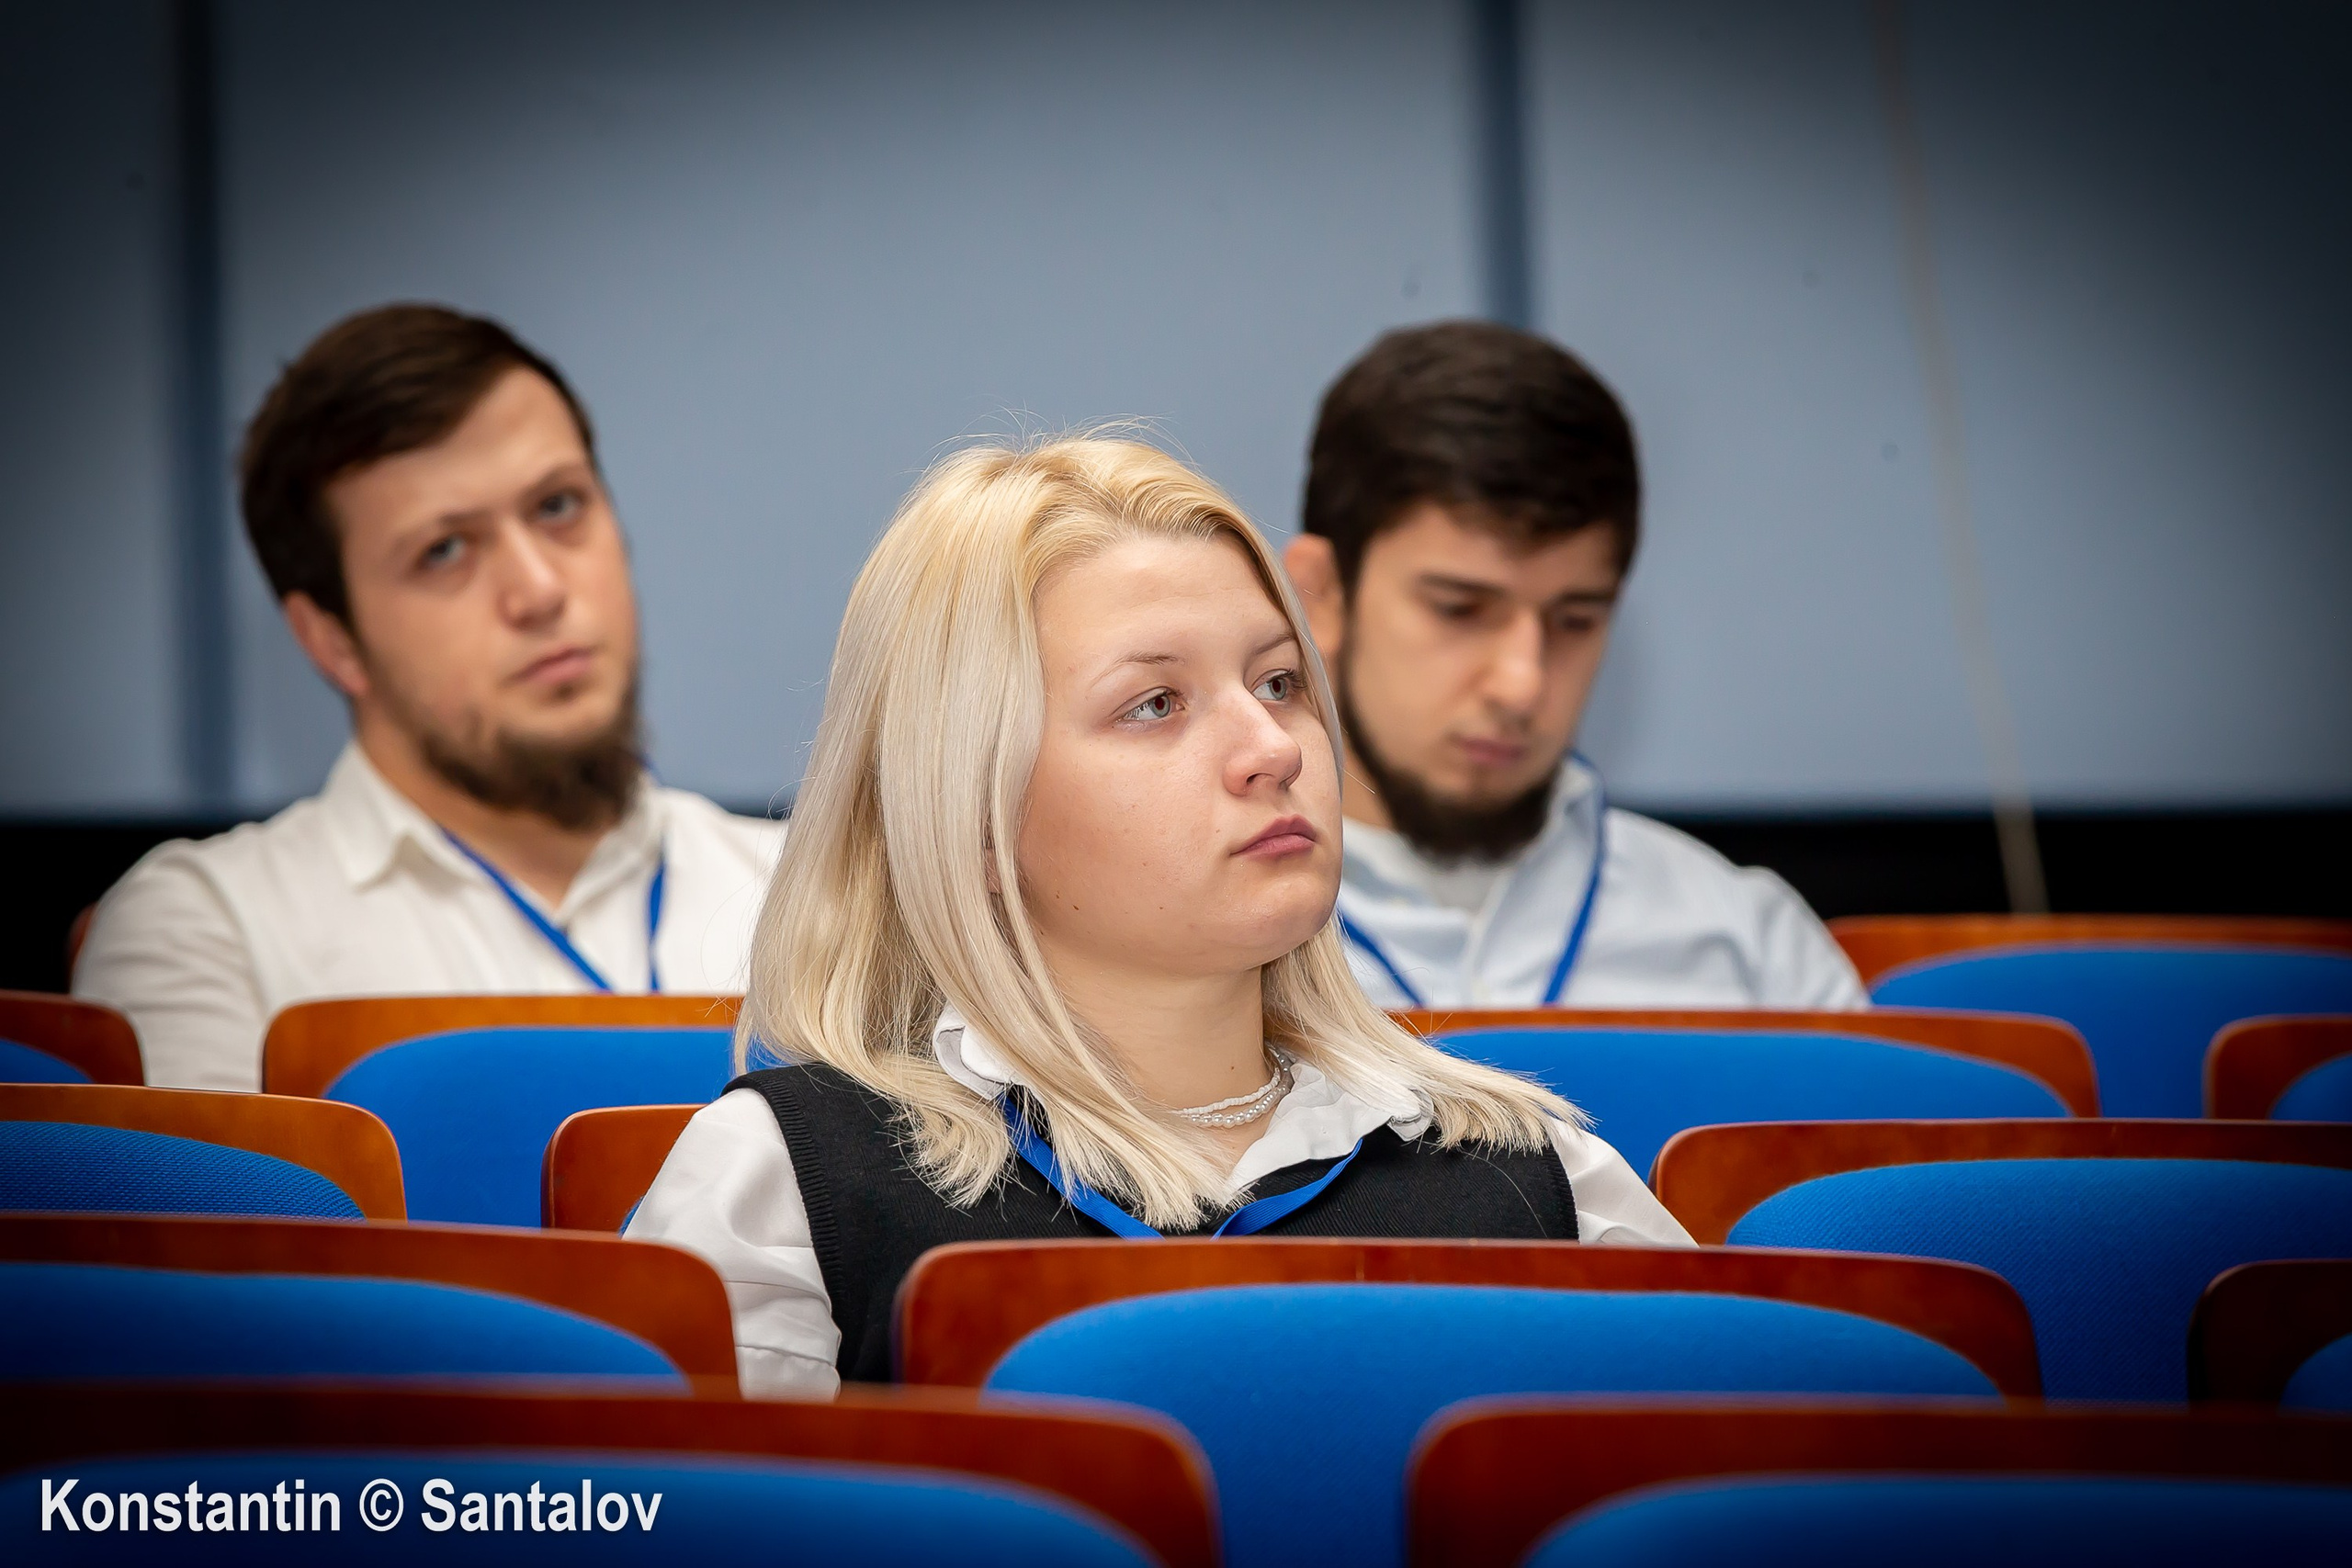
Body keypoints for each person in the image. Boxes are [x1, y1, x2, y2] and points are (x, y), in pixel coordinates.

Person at [627, 435, 1690, 1398]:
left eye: (1278, 682)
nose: (1272, 748)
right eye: (1154, 704)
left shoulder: (1540, 1176)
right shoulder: (788, 1185)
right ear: (975, 821)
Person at [74, 304, 783, 1091]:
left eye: (558, 505)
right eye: (444, 550)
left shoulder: (810, 890)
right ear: (332, 639)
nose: (540, 590)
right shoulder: (215, 928)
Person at [1281, 321, 1865, 1011]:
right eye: (1460, 609)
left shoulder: (1748, 946)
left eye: (1575, 620)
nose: (1523, 683)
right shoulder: (1191, 947)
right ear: (1323, 593)